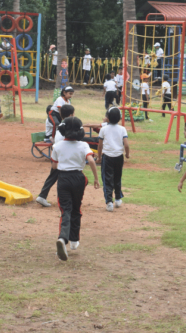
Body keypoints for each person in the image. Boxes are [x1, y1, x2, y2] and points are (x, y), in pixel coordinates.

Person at [52, 116, 100, 261]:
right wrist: (96, 179)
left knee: (65, 209)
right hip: (79, 178)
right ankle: (74, 241)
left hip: (64, 179)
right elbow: (91, 160)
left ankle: (62, 238)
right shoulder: (83, 145)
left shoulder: (57, 146)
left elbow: (54, 166)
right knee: (76, 209)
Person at [36, 104, 76, 208]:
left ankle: (42, 195)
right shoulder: (67, 126)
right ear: (71, 114)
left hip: (57, 154)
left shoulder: (62, 125)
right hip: (62, 156)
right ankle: (65, 200)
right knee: (67, 178)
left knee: (53, 176)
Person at [98, 107, 130, 212]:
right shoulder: (122, 129)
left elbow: (100, 145)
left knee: (107, 179)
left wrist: (99, 157)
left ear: (107, 117)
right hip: (119, 157)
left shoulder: (103, 129)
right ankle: (117, 198)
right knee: (117, 177)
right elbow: (126, 145)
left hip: (107, 157)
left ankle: (109, 202)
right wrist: (127, 154)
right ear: (120, 118)